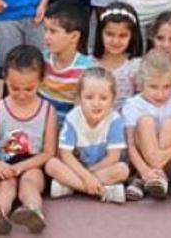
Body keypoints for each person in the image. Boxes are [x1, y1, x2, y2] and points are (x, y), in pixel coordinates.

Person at [0, 45, 58, 234]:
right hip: (5, 167)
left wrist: (22, 167)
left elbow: (48, 152)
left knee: (29, 184)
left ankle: (33, 211)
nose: (21, 94)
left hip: (33, 165)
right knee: (6, 188)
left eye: (29, 88)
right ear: (5, 79)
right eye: (14, 88)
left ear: (41, 81)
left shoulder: (47, 111)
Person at [45, 68, 130, 203]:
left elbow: (113, 157)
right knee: (51, 164)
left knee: (122, 170)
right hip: (76, 168)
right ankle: (103, 191)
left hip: (100, 169)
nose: (96, 103)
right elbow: (66, 155)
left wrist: (88, 175)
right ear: (79, 98)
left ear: (112, 99)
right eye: (89, 97)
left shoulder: (114, 119)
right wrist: (87, 178)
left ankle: (71, 186)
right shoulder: (73, 118)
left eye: (103, 98)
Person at [123, 50, 171, 200]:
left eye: (166, 87)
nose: (160, 94)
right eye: (153, 87)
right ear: (141, 84)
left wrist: (162, 156)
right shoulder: (133, 105)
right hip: (141, 164)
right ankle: (148, 177)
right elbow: (131, 144)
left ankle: (144, 180)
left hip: (168, 163)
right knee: (145, 121)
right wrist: (145, 170)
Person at [40, 0, 96, 116]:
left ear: (74, 36)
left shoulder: (86, 69)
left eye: (53, 31)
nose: (46, 36)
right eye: (46, 30)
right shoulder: (40, 60)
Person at [95, 3, 143, 110]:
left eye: (123, 35)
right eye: (109, 34)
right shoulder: (89, 63)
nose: (115, 41)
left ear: (132, 36)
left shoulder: (136, 66)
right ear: (100, 33)